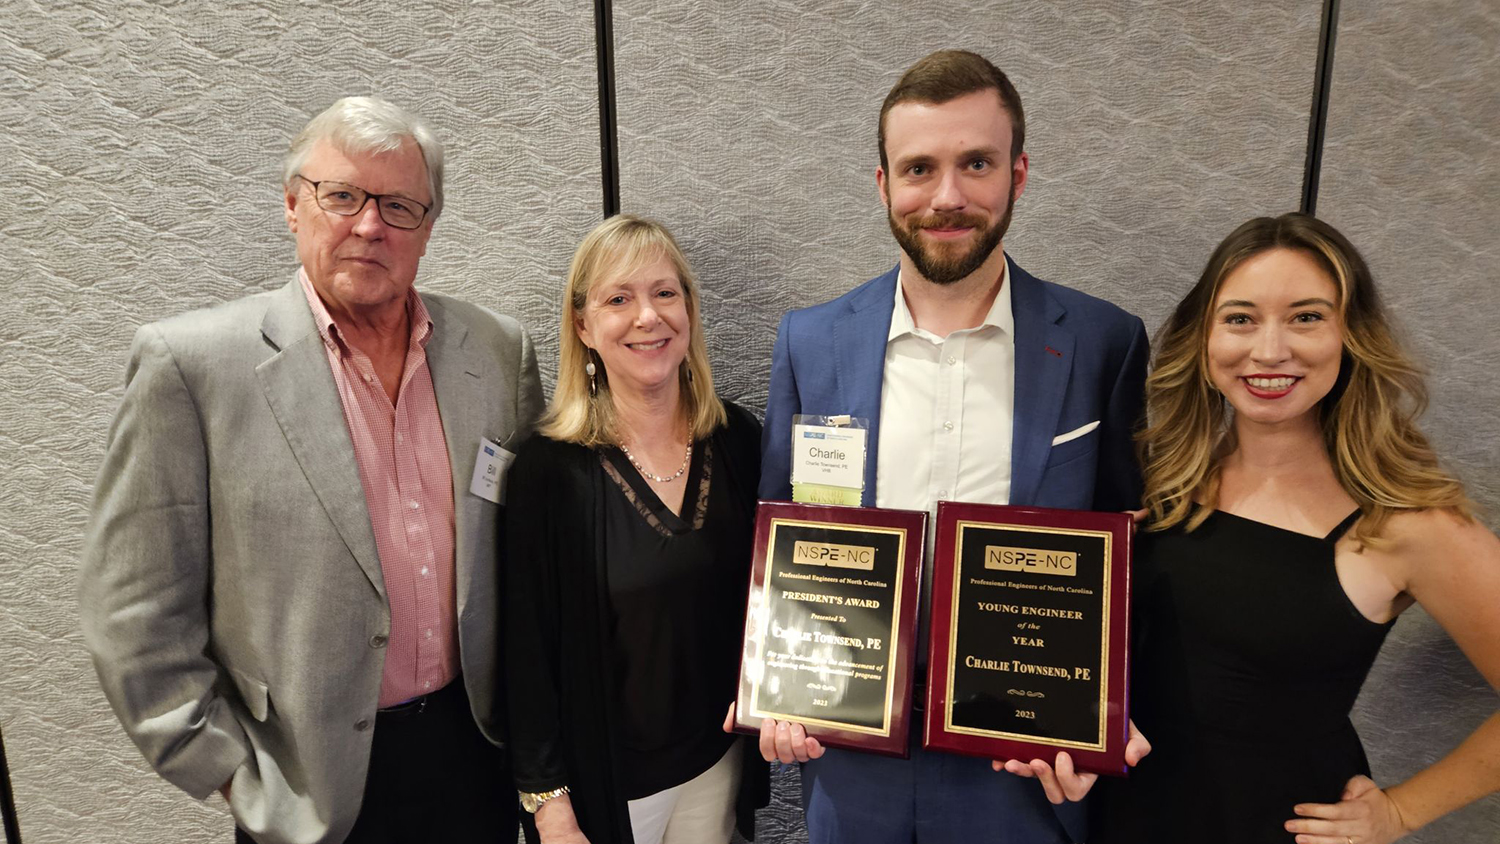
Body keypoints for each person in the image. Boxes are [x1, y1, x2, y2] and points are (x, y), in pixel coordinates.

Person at [79, 97, 544, 844]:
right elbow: (131, 610)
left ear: (427, 228)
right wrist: (231, 773)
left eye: (399, 205)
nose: (369, 226)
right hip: (305, 785)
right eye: (343, 196)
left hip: (477, 759)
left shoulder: (496, 352)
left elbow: (527, 563)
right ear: (294, 205)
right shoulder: (195, 366)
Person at [756, 49, 1151, 844]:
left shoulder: (1105, 342)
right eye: (918, 168)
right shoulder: (811, 342)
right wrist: (775, 689)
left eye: (976, 163)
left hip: (1023, 763)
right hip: (851, 750)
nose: (947, 197)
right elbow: (782, 531)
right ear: (883, 185)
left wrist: (1107, 713)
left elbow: (1135, 549)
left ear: (1019, 173)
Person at [1097, 212, 1500, 844]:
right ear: (1204, 340)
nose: (1268, 350)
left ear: (1350, 335)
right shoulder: (1161, 485)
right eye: (1240, 318)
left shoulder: (1407, 522)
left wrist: (1401, 811)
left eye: (1306, 317)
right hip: (1120, 822)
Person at [506, 214, 769, 844]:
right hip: (608, 784)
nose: (647, 317)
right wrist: (549, 807)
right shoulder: (547, 470)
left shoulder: (739, 442)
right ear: (584, 326)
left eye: (664, 293)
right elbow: (526, 653)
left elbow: (776, 601)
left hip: (718, 762)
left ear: (689, 309)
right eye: (618, 299)